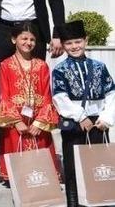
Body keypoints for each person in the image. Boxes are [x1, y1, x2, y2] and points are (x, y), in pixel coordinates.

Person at [51, 20, 115, 207]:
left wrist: (106, 118)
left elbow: (111, 93)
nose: (74, 46)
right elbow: (60, 97)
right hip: (74, 122)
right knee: (72, 166)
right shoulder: (60, 69)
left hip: (98, 122)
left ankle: (99, 201)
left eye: (77, 41)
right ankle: (74, 202)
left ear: (85, 40)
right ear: (63, 45)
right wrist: (80, 116)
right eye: (69, 43)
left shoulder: (99, 67)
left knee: (98, 164)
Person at [0, 22, 59, 183]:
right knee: (18, 168)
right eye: (24, 38)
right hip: (15, 124)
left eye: (32, 39)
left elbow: (47, 96)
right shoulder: (5, 65)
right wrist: (17, 121)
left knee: (40, 171)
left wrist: (39, 123)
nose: (28, 43)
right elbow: (4, 96)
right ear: (14, 39)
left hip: (37, 124)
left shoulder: (42, 66)